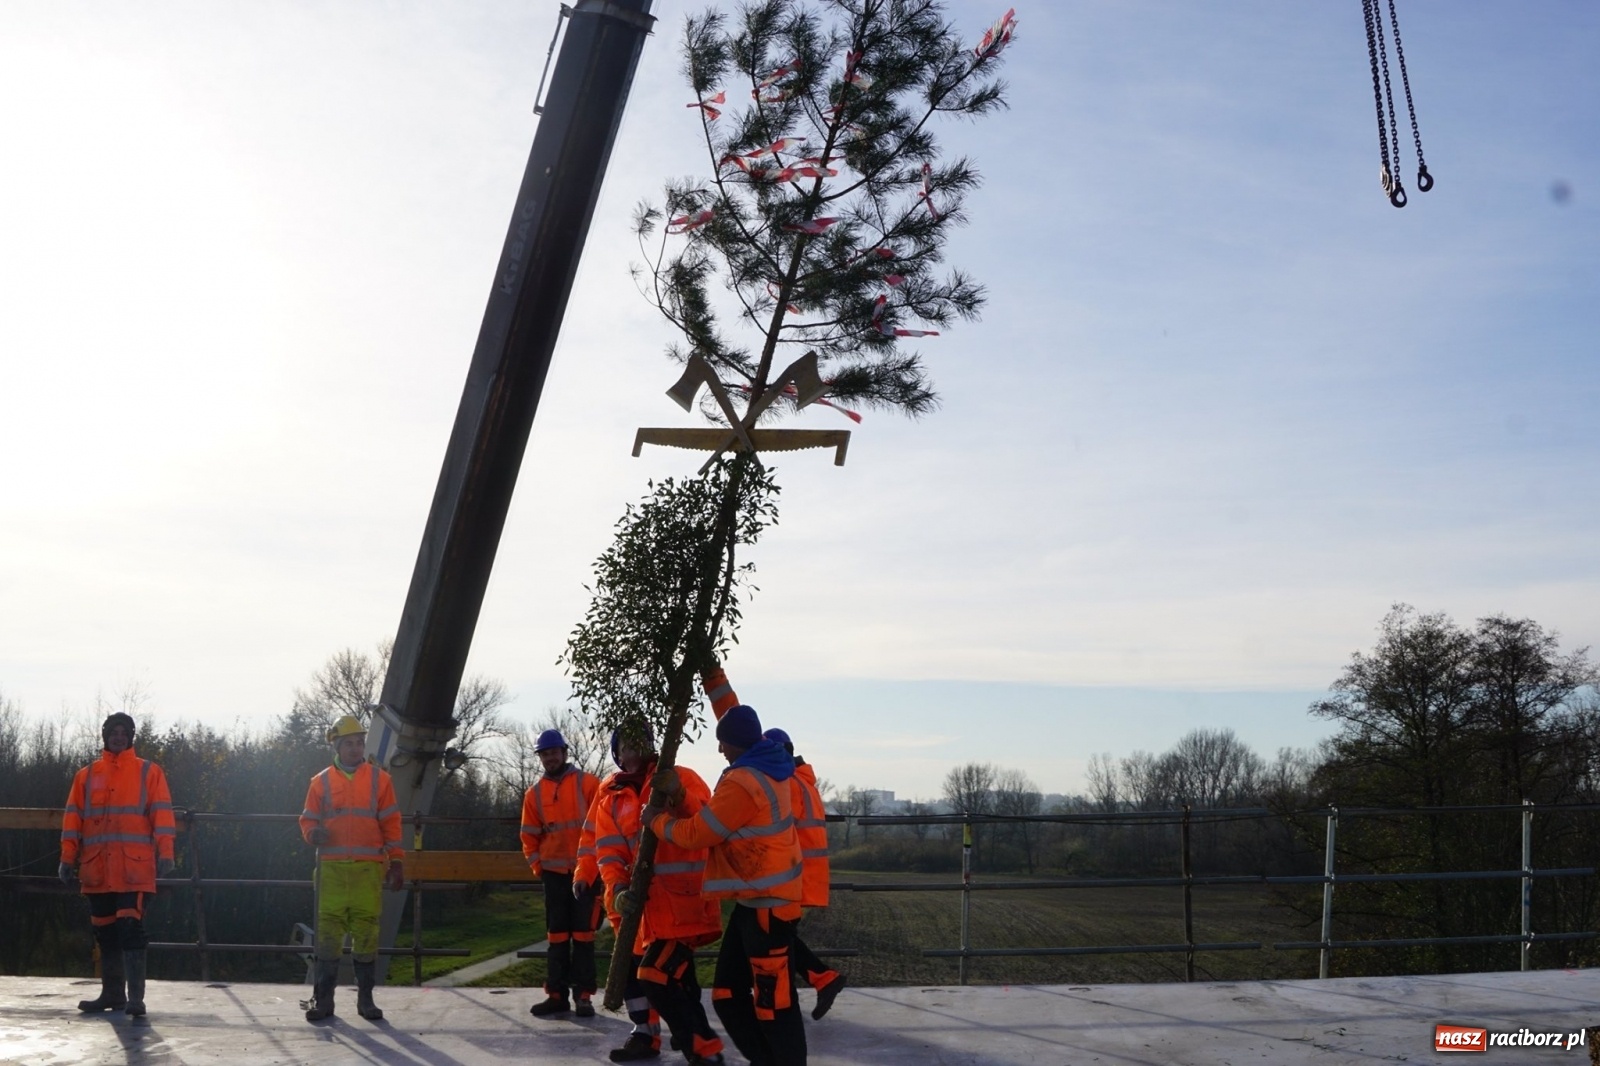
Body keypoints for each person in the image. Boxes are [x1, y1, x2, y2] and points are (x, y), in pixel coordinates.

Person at [648, 703, 807, 1066]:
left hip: (768, 907)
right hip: (756, 903)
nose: (720, 750)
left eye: (723, 742)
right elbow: (731, 706)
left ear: (736, 742)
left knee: (774, 1005)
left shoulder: (744, 781)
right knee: (726, 994)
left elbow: (699, 833)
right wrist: (709, 670)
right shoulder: (769, 762)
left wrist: (656, 821)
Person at [587, 721, 726, 1065]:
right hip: (637, 910)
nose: (631, 749)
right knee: (660, 979)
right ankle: (651, 1036)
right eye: (624, 745)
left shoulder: (679, 777)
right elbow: (609, 852)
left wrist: (678, 793)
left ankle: (702, 1045)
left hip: (682, 905)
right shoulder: (610, 798)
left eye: (639, 742)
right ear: (617, 754)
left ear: (652, 746)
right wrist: (618, 889)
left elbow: (710, 821)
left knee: (655, 975)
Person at [58, 712, 177, 1018]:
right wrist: (66, 858)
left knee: (130, 928)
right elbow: (73, 820)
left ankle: (135, 998)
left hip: (134, 870)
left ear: (131, 737)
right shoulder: (86, 776)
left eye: (124, 733)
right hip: (97, 870)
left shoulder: (149, 772)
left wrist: (166, 853)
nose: (119, 737)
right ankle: (112, 994)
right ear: (105, 736)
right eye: (114, 732)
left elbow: (162, 817)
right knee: (105, 933)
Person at [298, 714, 404, 1023]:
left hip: (367, 871)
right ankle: (324, 1000)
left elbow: (391, 824)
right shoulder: (320, 782)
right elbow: (307, 819)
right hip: (331, 870)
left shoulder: (380, 779)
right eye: (349, 744)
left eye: (360, 743)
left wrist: (396, 861)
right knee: (328, 937)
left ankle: (365, 1000)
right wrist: (311, 833)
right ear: (337, 746)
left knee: (366, 934)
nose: (356, 749)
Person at [763, 727, 846, 1020]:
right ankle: (822, 979)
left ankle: (803, 992)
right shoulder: (806, 783)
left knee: (775, 941)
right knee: (782, 938)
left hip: (787, 876)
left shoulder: (788, 785)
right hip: (804, 876)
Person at [520, 728, 600, 1018]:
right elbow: (528, 836)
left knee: (583, 936)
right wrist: (539, 866)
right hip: (553, 874)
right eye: (544, 754)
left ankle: (584, 996)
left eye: (553, 752)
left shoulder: (589, 784)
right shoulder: (534, 794)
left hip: (586, 873)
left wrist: (598, 866)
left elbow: (605, 825)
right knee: (556, 937)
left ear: (564, 752)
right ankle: (556, 995)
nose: (549, 758)